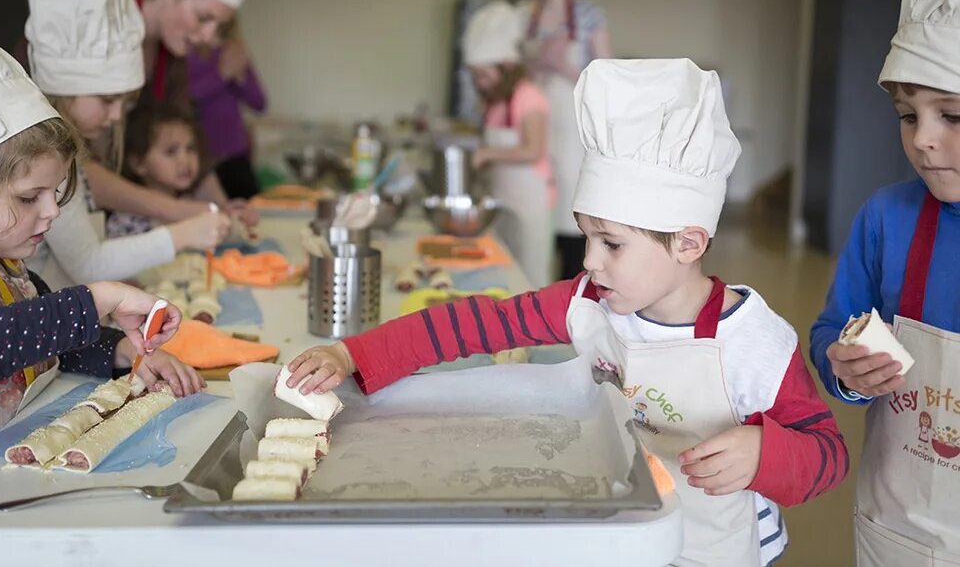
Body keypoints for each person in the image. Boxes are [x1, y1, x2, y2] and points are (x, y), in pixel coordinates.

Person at [285, 59, 848, 566]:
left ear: (689, 244)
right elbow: (474, 324)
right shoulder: (590, 303)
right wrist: (352, 351)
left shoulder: (754, 343)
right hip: (627, 534)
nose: (589, 261)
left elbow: (828, 454)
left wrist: (764, 454)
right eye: (586, 237)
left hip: (717, 549)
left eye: (611, 243)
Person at [0, 15, 201, 455]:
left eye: (55, 193)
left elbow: (51, 346)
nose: (52, 211)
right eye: (30, 197)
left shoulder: (8, 266)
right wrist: (98, 298)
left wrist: (125, 353)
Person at [809, 0, 960, 566]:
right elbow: (830, 330)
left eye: (951, 115)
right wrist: (844, 370)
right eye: (908, 115)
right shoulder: (886, 219)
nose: (922, 137)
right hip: (901, 530)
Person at [24, 0, 229, 290]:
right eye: (107, 100)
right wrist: (183, 233)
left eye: (124, 101)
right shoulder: (46, 162)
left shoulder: (66, 154)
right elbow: (89, 264)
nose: (118, 115)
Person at [88, 0, 278, 230]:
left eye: (219, 25)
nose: (208, 36)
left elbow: (182, 136)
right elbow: (76, 167)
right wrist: (177, 210)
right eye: (204, 17)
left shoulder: (171, 55)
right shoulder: (98, 29)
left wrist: (221, 208)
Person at [516, 0, 612, 280]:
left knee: (572, 219)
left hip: (574, 134)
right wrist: (535, 66)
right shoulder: (526, 15)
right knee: (536, 220)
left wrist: (563, 67)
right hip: (535, 130)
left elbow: (606, 78)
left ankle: (574, 296)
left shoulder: (588, 15)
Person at [465, 2, 554, 288]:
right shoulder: (496, 101)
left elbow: (533, 150)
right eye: (476, 75)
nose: (480, 82)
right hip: (504, 199)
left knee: (531, 278)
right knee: (506, 275)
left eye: (485, 74)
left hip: (531, 203)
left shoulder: (528, 95)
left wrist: (487, 154)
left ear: (506, 66)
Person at [187, 16, 267, 199]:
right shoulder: (185, 53)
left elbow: (260, 104)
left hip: (235, 157)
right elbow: (184, 100)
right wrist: (221, 75)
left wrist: (240, 78)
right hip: (202, 161)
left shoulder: (232, 51)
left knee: (251, 217)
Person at [107, 103, 208, 238]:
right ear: (139, 163)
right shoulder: (127, 220)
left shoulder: (192, 205)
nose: (185, 160)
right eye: (170, 152)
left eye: (190, 149)